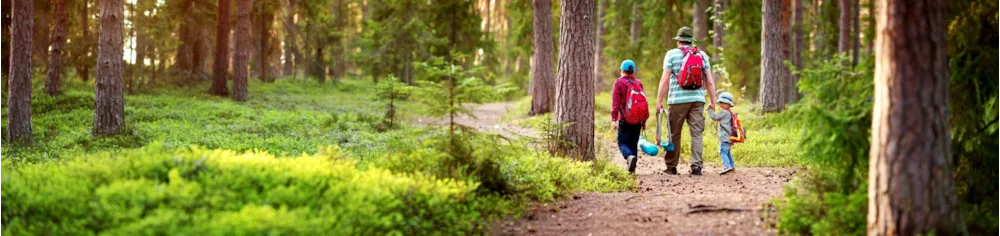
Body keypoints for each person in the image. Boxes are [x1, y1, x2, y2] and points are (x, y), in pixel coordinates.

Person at [655, 26, 719, 176]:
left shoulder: (671, 54)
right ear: (691, 41)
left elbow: (665, 80)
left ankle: (671, 167)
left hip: (677, 100)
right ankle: (696, 167)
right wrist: (712, 101)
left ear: (679, 41)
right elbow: (709, 81)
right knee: (696, 134)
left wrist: (659, 101)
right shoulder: (702, 55)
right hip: (697, 100)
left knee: (674, 134)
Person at [611, 60, 647, 173]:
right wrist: (644, 121)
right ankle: (632, 170)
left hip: (624, 118)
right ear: (633, 72)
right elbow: (643, 103)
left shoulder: (618, 83)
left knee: (622, 141)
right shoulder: (638, 83)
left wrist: (614, 120)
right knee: (633, 142)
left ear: (622, 71)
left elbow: (615, 104)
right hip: (638, 119)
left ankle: (628, 157)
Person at [707, 92, 737, 175]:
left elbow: (714, 117)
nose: (722, 104)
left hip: (725, 136)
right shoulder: (729, 112)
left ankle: (727, 166)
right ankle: (732, 166)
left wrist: (709, 109)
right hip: (730, 136)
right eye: (721, 102)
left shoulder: (724, 112)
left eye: (725, 103)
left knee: (722, 151)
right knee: (727, 152)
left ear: (729, 104)